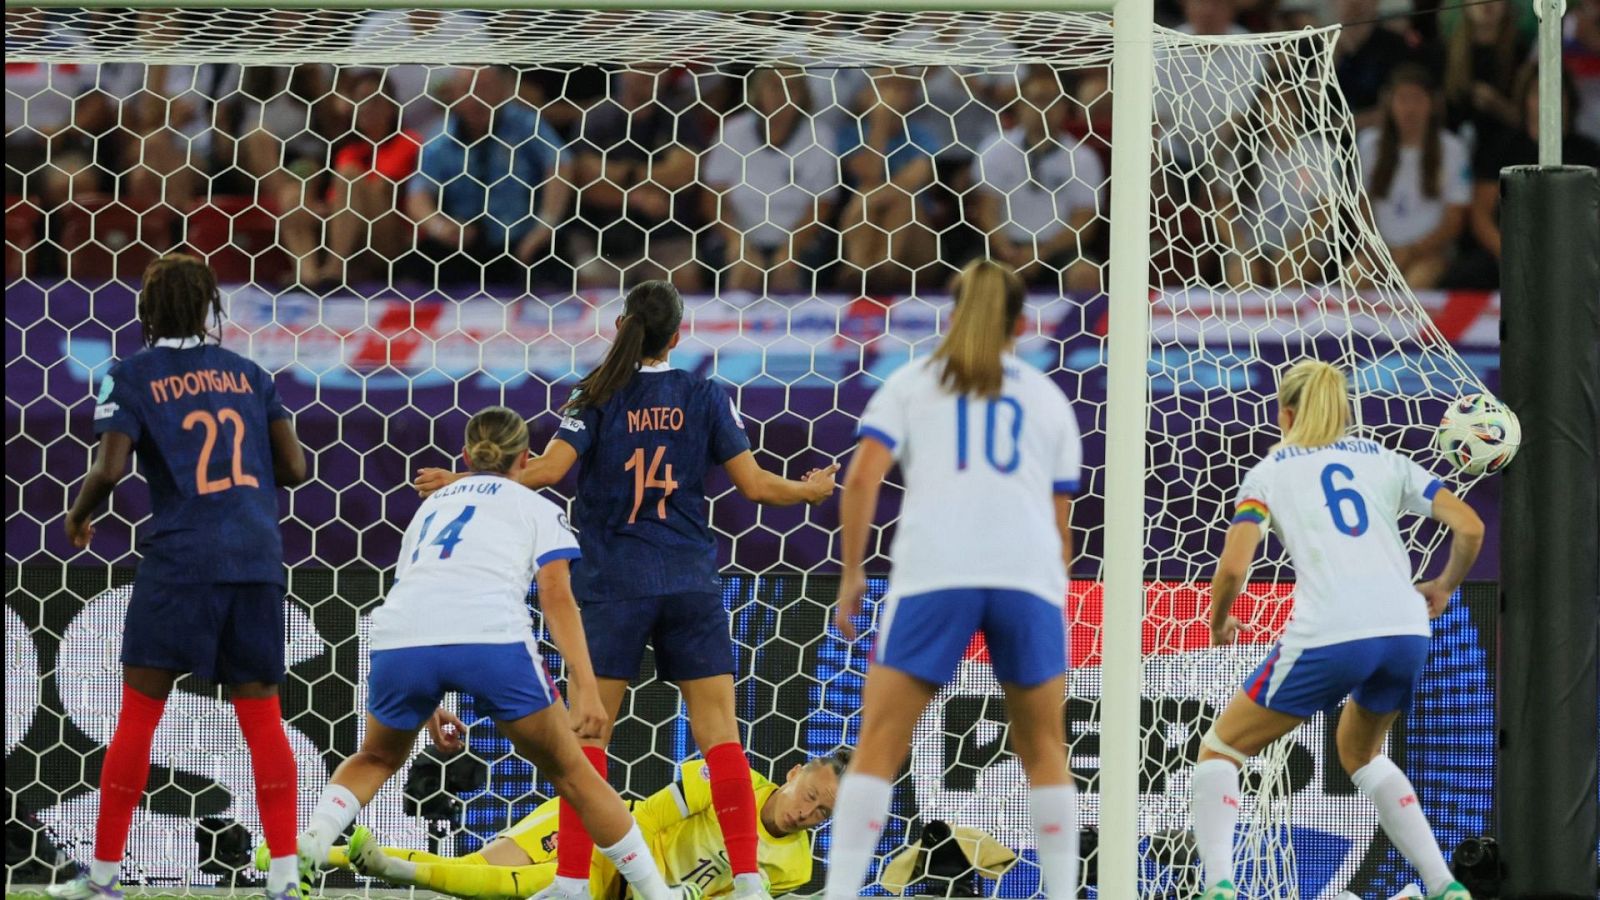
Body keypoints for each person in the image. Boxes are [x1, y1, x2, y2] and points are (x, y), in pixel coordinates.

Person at [414, 281, 837, 900]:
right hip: (689, 581)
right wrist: (807, 491)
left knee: (588, 737)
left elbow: (549, 472)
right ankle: (748, 877)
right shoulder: (706, 395)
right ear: (677, 335)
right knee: (721, 738)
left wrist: (464, 480)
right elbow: (753, 485)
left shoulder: (597, 395)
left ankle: (569, 882)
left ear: (620, 327)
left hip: (614, 584)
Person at [297, 406, 696, 900]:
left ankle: (310, 843)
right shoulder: (534, 506)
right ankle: (658, 895)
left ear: (464, 455)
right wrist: (587, 686)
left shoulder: (432, 505)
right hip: (490, 639)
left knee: (375, 757)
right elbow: (555, 596)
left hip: (401, 639)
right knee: (574, 773)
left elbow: (413, 590)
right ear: (526, 459)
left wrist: (425, 705)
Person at [49, 253, 310, 900]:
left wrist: (79, 515)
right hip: (254, 557)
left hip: (182, 560)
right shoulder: (250, 375)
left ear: (146, 311)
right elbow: (297, 469)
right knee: (262, 719)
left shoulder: (130, 376)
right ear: (209, 310)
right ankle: (283, 876)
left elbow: (108, 470)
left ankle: (104, 876)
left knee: (139, 715)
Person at [824, 259, 1083, 900]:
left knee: (880, 742)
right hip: (1026, 576)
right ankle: (1061, 892)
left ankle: (839, 893)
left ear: (952, 312)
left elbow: (861, 479)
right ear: (1022, 324)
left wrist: (853, 573)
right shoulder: (1050, 399)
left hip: (936, 571)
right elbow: (1060, 526)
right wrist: (1053, 595)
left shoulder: (912, 382)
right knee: (1044, 748)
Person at [1188, 360, 1482, 900]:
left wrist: (1220, 617)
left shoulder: (1272, 470)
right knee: (1363, 754)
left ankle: (1218, 887)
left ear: (1286, 414)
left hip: (1331, 630)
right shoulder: (1386, 460)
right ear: (1344, 410)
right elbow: (1470, 525)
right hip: (1406, 631)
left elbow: (1233, 567)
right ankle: (1444, 887)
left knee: (1221, 750)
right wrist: (1442, 586)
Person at [321, 750, 850, 900]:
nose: (805, 813)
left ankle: (339, 856)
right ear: (794, 773)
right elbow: (640, 818)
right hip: (608, 841)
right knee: (497, 879)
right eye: (808, 796)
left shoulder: (796, 868)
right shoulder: (725, 780)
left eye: (821, 813)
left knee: (485, 883)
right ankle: (369, 861)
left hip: (629, 895)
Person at [1356, 65, 1470, 290]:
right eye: (1402, 100)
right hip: (1380, 251)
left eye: (1417, 100)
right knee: (1351, 281)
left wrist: (1412, 251)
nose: (1410, 109)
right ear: (1390, 104)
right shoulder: (1370, 144)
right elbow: (1361, 206)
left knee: (1415, 284)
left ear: (1432, 104)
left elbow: (1454, 220)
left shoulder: (1452, 148)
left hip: (1430, 253)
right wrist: (1377, 249)